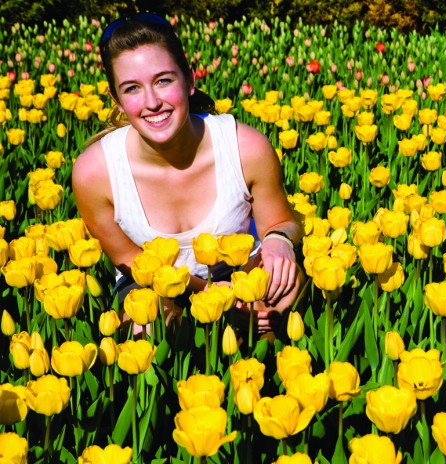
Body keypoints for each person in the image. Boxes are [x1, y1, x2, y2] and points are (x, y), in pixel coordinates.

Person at [72, 13, 304, 332]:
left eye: (163, 80)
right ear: (117, 101)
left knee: (287, 284)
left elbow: (282, 221)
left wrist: (280, 240)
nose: (152, 102)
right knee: (148, 322)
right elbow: (137, 263)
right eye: (132, 89)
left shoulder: (245, 147)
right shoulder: (94, 174)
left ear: (189, 80)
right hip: (154, 286)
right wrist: (209, 296)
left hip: (239, 276)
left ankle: (264, 371)